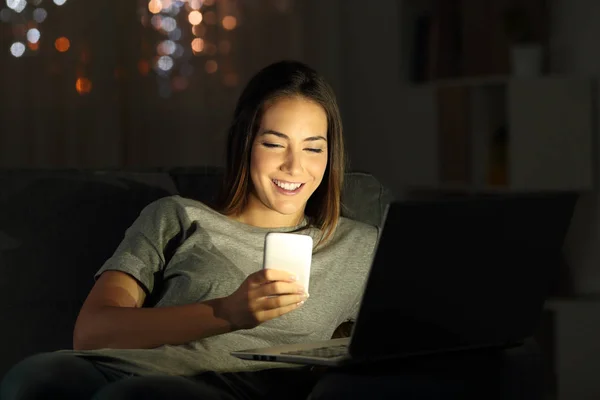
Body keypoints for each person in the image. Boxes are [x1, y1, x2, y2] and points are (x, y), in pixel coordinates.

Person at [0, 60, 380, 400]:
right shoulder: (177, 216)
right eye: (273, 144)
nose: (294, 167)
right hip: (118, 366)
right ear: (244, 144)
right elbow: (92, 331)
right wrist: (227, 312)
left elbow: (406, 347)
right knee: (36, 378)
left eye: (313, 149)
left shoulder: (358, 246)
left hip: (221, 386)